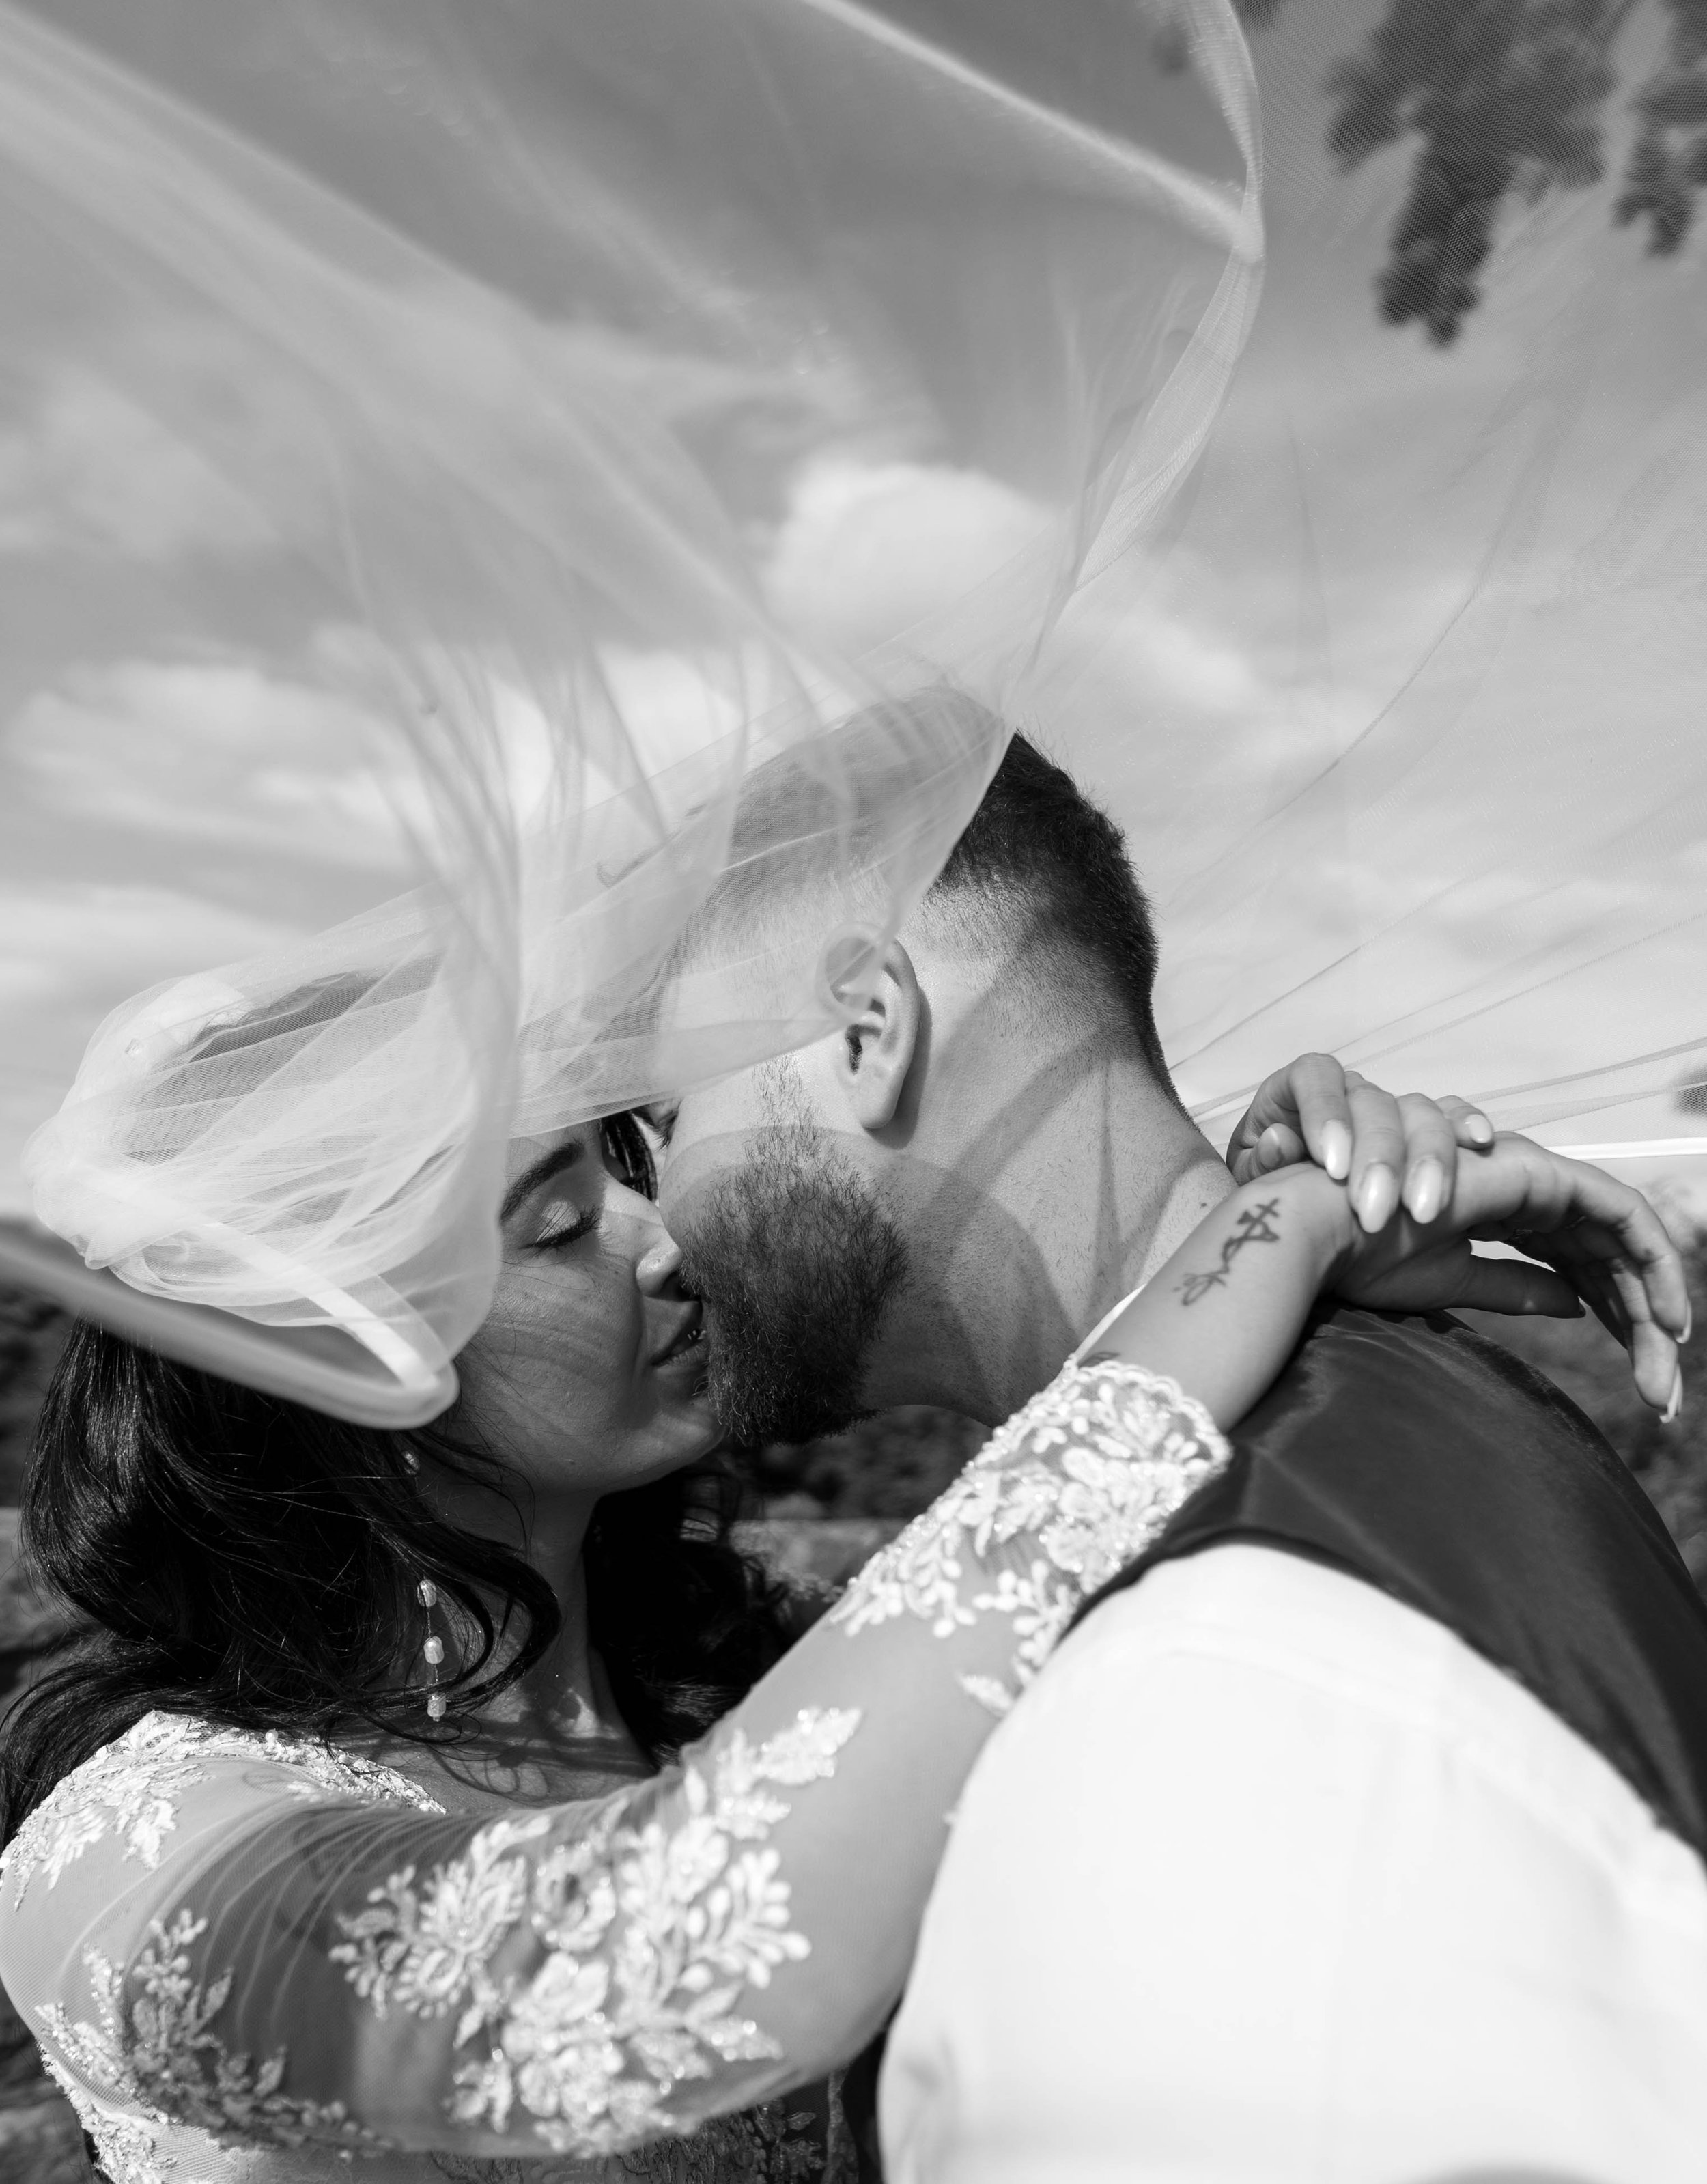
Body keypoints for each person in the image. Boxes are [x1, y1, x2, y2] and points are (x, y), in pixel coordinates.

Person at [0, 1028, 1671, 2184]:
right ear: (332, 1353)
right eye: (560, 1222)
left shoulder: (768, 1684)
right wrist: (1272, 1227)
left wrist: (1234, 1185)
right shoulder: (131, 1845)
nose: (666, 1243)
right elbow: (667, 1953)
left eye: (630, 1167)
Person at [658, 732, 1707, 2182]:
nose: (652, 1233)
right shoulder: (1388, 1403)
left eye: (666, 1119)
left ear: (863, 1030)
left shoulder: (1200, 1685)